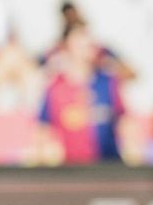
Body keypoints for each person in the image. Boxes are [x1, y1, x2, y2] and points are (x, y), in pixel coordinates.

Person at [36, 24, 125, 164]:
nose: (86, 49)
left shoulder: (107, 82)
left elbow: (123, 120)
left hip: (108, 167)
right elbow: (43, 128)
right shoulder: (56, 87)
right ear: (67, 48)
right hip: (70, 170)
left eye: (89, 44)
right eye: (80, 44)